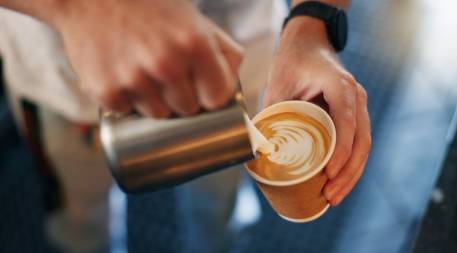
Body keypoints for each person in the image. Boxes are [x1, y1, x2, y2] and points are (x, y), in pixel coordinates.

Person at [0, 0, 371, 252]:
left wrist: (313, 21)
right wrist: (78, 9)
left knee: (221, 205)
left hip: (244, 55)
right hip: (64, 75)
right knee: (82, 223)